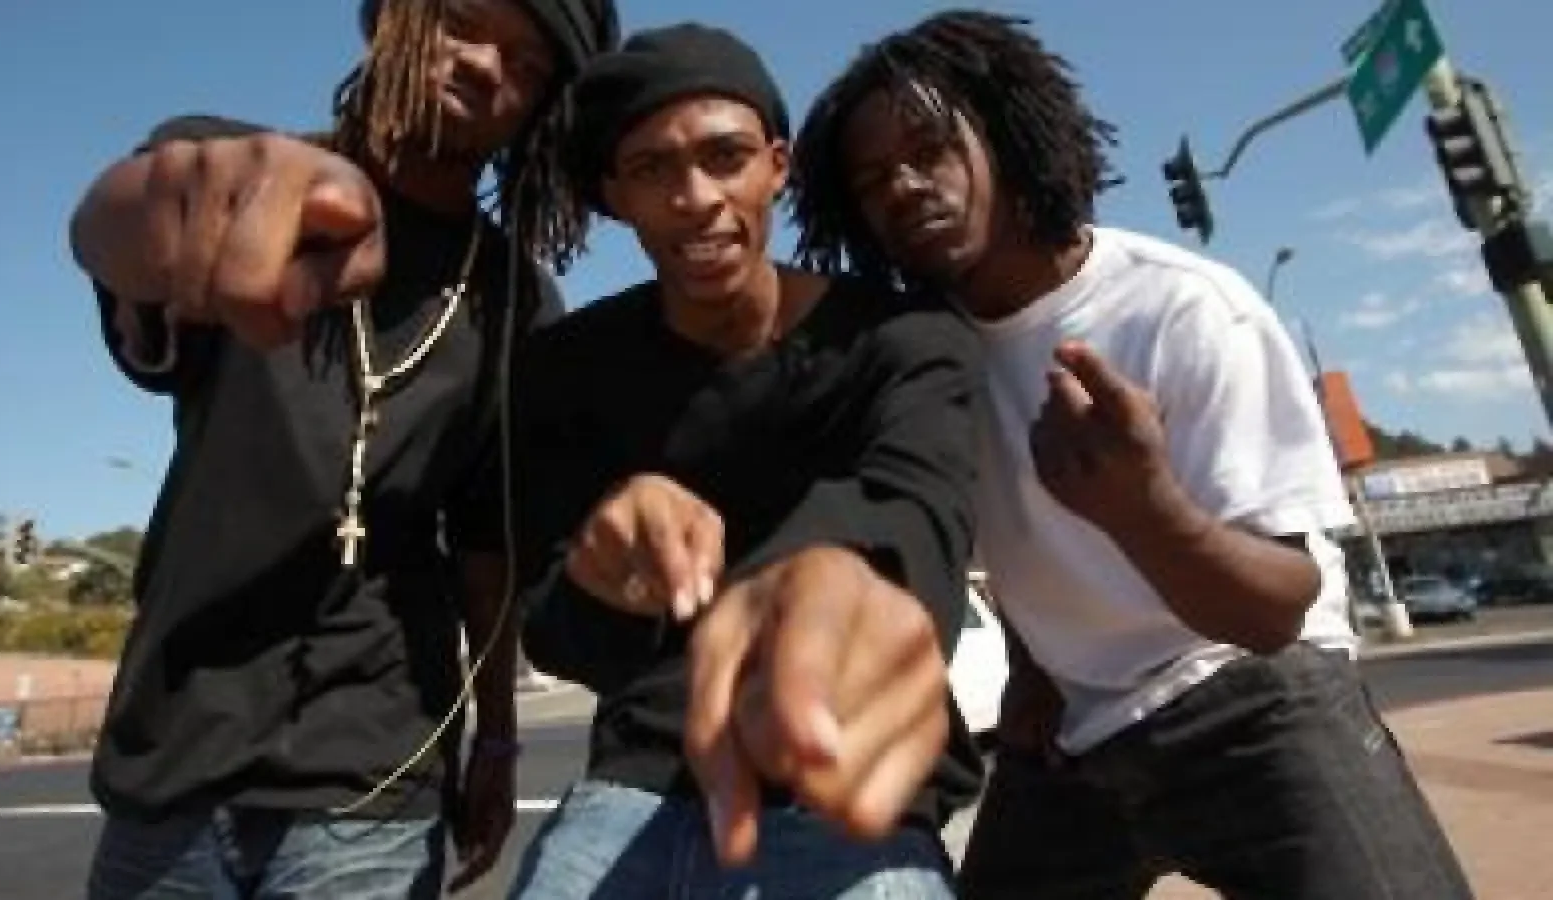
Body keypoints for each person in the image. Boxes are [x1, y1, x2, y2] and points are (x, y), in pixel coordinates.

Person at [789, 10, 1475, 899]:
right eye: (874, 178)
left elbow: (1275, 610)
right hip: (1075, 739)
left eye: (931, 149)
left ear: (1004, 135)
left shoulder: (1184, 309)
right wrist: (1033, 672)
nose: (907, 186)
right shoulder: (924, 358)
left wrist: (1143, 508)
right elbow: (1028, 552)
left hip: (1254, 698)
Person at [67, 0, 617, 896]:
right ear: (389, 21)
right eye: (463, 23)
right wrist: (121, 222)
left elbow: (487, 550)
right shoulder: (243, 177)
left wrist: (501, 738)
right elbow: (120, 226)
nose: (486, 65)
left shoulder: (513, 299)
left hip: (376, 777)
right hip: (174, 747)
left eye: (526, 63)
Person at [499, 22, 985, 899]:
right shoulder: (565, 371)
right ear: (614, 196)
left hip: (841, 790)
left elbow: (923, 526)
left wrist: (844, 576)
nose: (694, 197)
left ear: (776, 164)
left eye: (725, 157)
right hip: (633, 787)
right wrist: (597, 577)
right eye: (653, 170)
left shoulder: (903, 341)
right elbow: (548, 628)